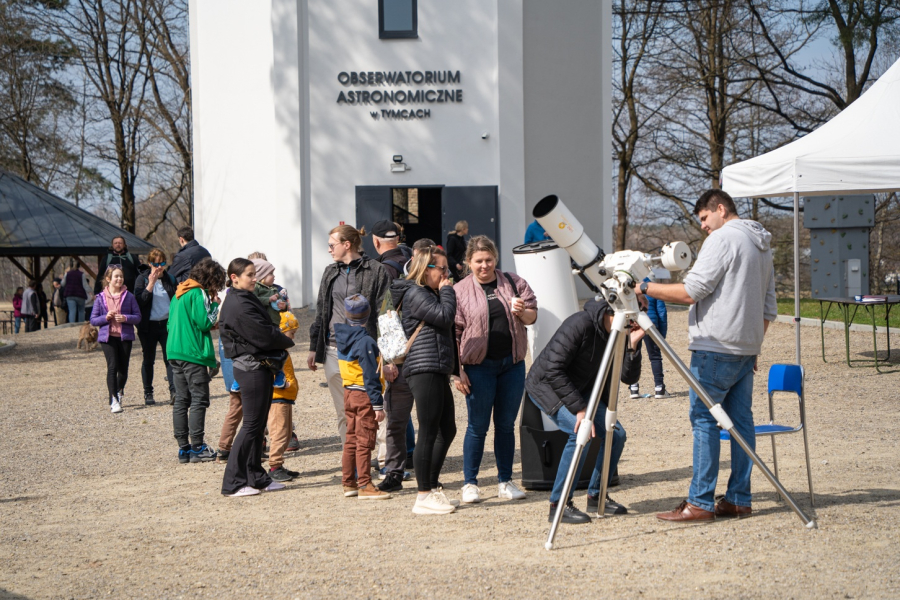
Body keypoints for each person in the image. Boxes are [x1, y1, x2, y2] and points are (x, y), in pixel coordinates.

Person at [639, 189, 777, 523]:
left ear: (720, 209)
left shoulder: (722, 239)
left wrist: (643, 287)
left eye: (703, 218)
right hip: (744, 349)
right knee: (741, 424)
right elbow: (769, 306)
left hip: (715, 346)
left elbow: (691, 292)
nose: (702, 226)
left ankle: (699, 502)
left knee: (704, 420)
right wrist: (754, 344)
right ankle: (738, 499)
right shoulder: (762, 245)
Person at [525, 297, 643, 524]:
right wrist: (579, 410)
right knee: (581, 432)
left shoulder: (624, 330)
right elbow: (553, 369)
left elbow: (629, 377)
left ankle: (596, 495)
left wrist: (633, 344)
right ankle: (558, 504)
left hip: (583, 387)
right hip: (548, 385)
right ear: (620, 310)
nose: (638, 320)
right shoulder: (580, 323)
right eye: (637, 314)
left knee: (616, 435)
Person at [453, 235, 537, 504]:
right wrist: (457, 371)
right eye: (478, 261)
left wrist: (522, 311)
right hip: (478, 368)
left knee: (505, 426)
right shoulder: (459, 291)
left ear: (495, 259)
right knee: (477, 427)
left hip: (512, 365)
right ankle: (470, 483)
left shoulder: (513, 282)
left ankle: (505, 481)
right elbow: (452, 334)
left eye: (489, 260)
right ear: (469, 262)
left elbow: (533, 317)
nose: (484, 265)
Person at [390, 246, 459, 515]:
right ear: (426, 268)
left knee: (448, 429)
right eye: (441, 269)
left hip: (437, 366)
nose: (446, 274)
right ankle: (423, 495)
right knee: (429, 432)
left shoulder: (427, 293)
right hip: (423, 367)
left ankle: (430, 486)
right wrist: (447, 290)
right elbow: (445, 317)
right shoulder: (416, 293)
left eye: (446, 270)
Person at [308, 225, 391, 445]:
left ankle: (384, 463)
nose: (329, 250)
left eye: (331, 245)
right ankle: (352, 460)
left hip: (368, 349)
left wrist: (389, 356)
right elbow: (321, 311)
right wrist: (313, 347)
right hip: (335, 351)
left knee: (378, 407)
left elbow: (386, 313)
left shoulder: (376, 270)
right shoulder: (330, 271)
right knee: (344, 410)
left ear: (347, 245)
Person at [219, 258, 295, 497]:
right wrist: (285, 340)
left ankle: (257, 477)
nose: (254, 278)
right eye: (250, 275)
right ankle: (233, 482)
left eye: (254, 274)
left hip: (257, 366)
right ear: (234, 277)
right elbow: (262, 333)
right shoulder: (239, 304)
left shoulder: (244, 297)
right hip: (250, 368)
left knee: (258, 423)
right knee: (252, 424)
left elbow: (264, 326)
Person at [370, 219, 416, 491]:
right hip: (419, 345)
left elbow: (383, 315)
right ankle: (409, 454)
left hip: (395, 348)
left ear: (376, 242)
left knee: (396, 409)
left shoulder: (383, 269)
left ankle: (397, 461)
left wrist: (385, 357)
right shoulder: (412, 260)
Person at [166, 258, 226, 464]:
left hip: (174, 351)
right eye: (216, 284)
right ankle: (198, 447)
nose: (215, 289)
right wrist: (215, 306)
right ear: (210, 279)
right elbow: (204, 323)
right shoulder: (197, 292)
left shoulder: (179, 292)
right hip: (192, 353)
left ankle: (183, 449)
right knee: (199, 399)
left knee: (182, 399)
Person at [335, 294, 392, 500]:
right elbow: (370, 375)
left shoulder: (342, 337)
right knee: (365, 440)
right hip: (364, 395)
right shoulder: (366, 341)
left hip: (349, 392)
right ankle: (365, 484)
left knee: (350, 439)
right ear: (368, 315)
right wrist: (377, 404)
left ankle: (348, 482)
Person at [89, 265, 142, 413]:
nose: (119, 279)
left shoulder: (129, 296)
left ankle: (119, 390)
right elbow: (93, 320)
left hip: (125, 337)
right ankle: (114, 400)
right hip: (108, 338)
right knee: (112, 367)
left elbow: (138, 317)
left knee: (123, 370)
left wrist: (125, 318)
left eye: (121, 276)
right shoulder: (100, 298)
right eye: (116, 276)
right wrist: (105, 318)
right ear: (108, 279)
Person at [133, 248, 177, 405]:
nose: (159, 267)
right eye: (156, 264)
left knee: (170, 359)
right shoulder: (141, 279)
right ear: (149, 263)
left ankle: (174, 391)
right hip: (148, 326)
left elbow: (177, 299)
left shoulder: (170, 279)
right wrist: (150, 284)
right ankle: (148, 393)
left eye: (162, 263)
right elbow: (140, 302)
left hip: (167, 325)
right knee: (148, 360)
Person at [267, 311, 301, 482]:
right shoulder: (275, 351)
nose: (293, 338)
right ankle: (274, 465)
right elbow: (270, 372)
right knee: (279, 433)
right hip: (277, 397)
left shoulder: (282, 351)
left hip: (286, 397)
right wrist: (281, 384)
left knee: (286, 433)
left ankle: (279, 465)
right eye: (292, 333)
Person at [630, 277, 670, 399]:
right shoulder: (652, 287)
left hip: (634, 323)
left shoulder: (629, 285)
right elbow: (661, 311)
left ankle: (633, 387)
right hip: (651, 323)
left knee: (633, 354)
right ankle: (659, 388)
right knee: (655, 356)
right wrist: (662, 334)